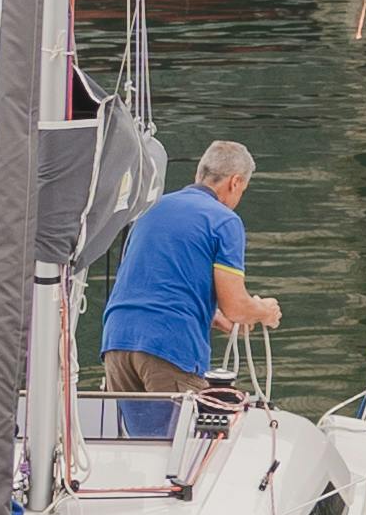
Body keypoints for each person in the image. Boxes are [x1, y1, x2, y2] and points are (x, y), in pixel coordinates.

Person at [98, 138, 275, 409]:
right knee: (180, 444)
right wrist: (264, 312)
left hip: (117, 341)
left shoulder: (149, 210)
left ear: (199, 174)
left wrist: (212, 315)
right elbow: (237, 308)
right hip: (169, 345)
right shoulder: (223, 220)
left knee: (130, 445)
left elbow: (150, 282)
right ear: (236, 182)